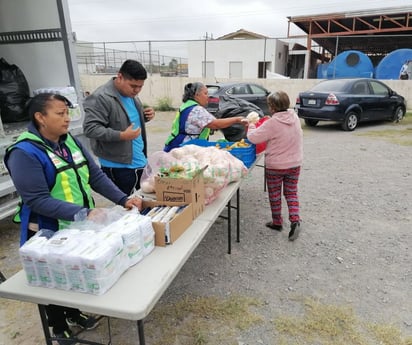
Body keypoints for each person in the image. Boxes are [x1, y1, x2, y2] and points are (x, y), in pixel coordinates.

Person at [4, 93, 143, 344]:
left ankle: (74, 312)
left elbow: (95, 176)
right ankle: (57, 324)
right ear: (40, 117)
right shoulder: (24, 152)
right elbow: (37, 199)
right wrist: (84, 213)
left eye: (68, 113)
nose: (67, 119)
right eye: (60, 113)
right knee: (52, 279)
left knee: (74, 273)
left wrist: (123, 199)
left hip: (79, 226)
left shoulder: (71, 142)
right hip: (48, 229)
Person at [83, 59, 155, 195]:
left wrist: (145, 116)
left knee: (144, 202)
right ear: (120, 77)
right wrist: (122, 135)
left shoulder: (131, 95)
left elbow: (125, 121)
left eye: (140, 86)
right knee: (128, 207)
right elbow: (90, 128)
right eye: (133, 86)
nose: (137, 90)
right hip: (119, 167)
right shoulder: (101, 97)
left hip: (139, 160)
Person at [246, 91, 303, 241]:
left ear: (272, 107)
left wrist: (251, 125)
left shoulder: (272, 123)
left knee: (275, 195)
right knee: (291, 193)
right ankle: (295, 220)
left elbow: (253, 138)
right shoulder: (294, 117)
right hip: (295, 163)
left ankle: (277, 222)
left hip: (276, 166)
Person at [164, 82, 247, 152]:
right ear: (197, 95)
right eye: (205, 93)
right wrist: (237, 119)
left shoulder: (187, 105)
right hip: (183, 149)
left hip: (177, 146)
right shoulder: (196, 110)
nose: (208, 96)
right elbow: (215, 124)